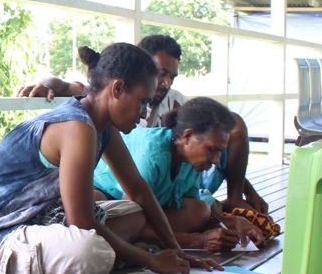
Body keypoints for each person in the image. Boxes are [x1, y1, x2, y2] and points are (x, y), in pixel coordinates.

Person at [0, 43, 221, 274]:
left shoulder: (102, 126)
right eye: (142, 102)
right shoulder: (77, 127)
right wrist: (151, 261)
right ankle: (74, 262)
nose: (144, 113)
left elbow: (139, 190)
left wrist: (176, 252)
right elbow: (82, 221)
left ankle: (66, 262)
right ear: (117, 89)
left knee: (135, 214)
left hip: (39, 219)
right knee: (90, 251)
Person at [18, 33, 269, 214]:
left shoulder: (175, 101)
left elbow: (204, 145)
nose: (166, 83)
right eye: (161, 73)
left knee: (233, 125)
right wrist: (48, 85)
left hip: (171, 181)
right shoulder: (101, 106)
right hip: (125, 184)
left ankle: (232, 200)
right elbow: (72, 87)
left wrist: (245, 188)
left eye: (172, 76)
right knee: (101, 206)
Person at [93, 97, 267, 251]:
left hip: (144, 212)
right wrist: (198, 240)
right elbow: (131, 218)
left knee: (200, 210)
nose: (216, 160)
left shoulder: (190, 161)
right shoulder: (152, 153)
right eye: (212, 150)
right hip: (112, 204)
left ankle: (145, 240)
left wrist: (235, 223)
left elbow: (188, 208)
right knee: (108, 208)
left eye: (220, 152)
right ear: (187, 136)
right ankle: (139, 241)